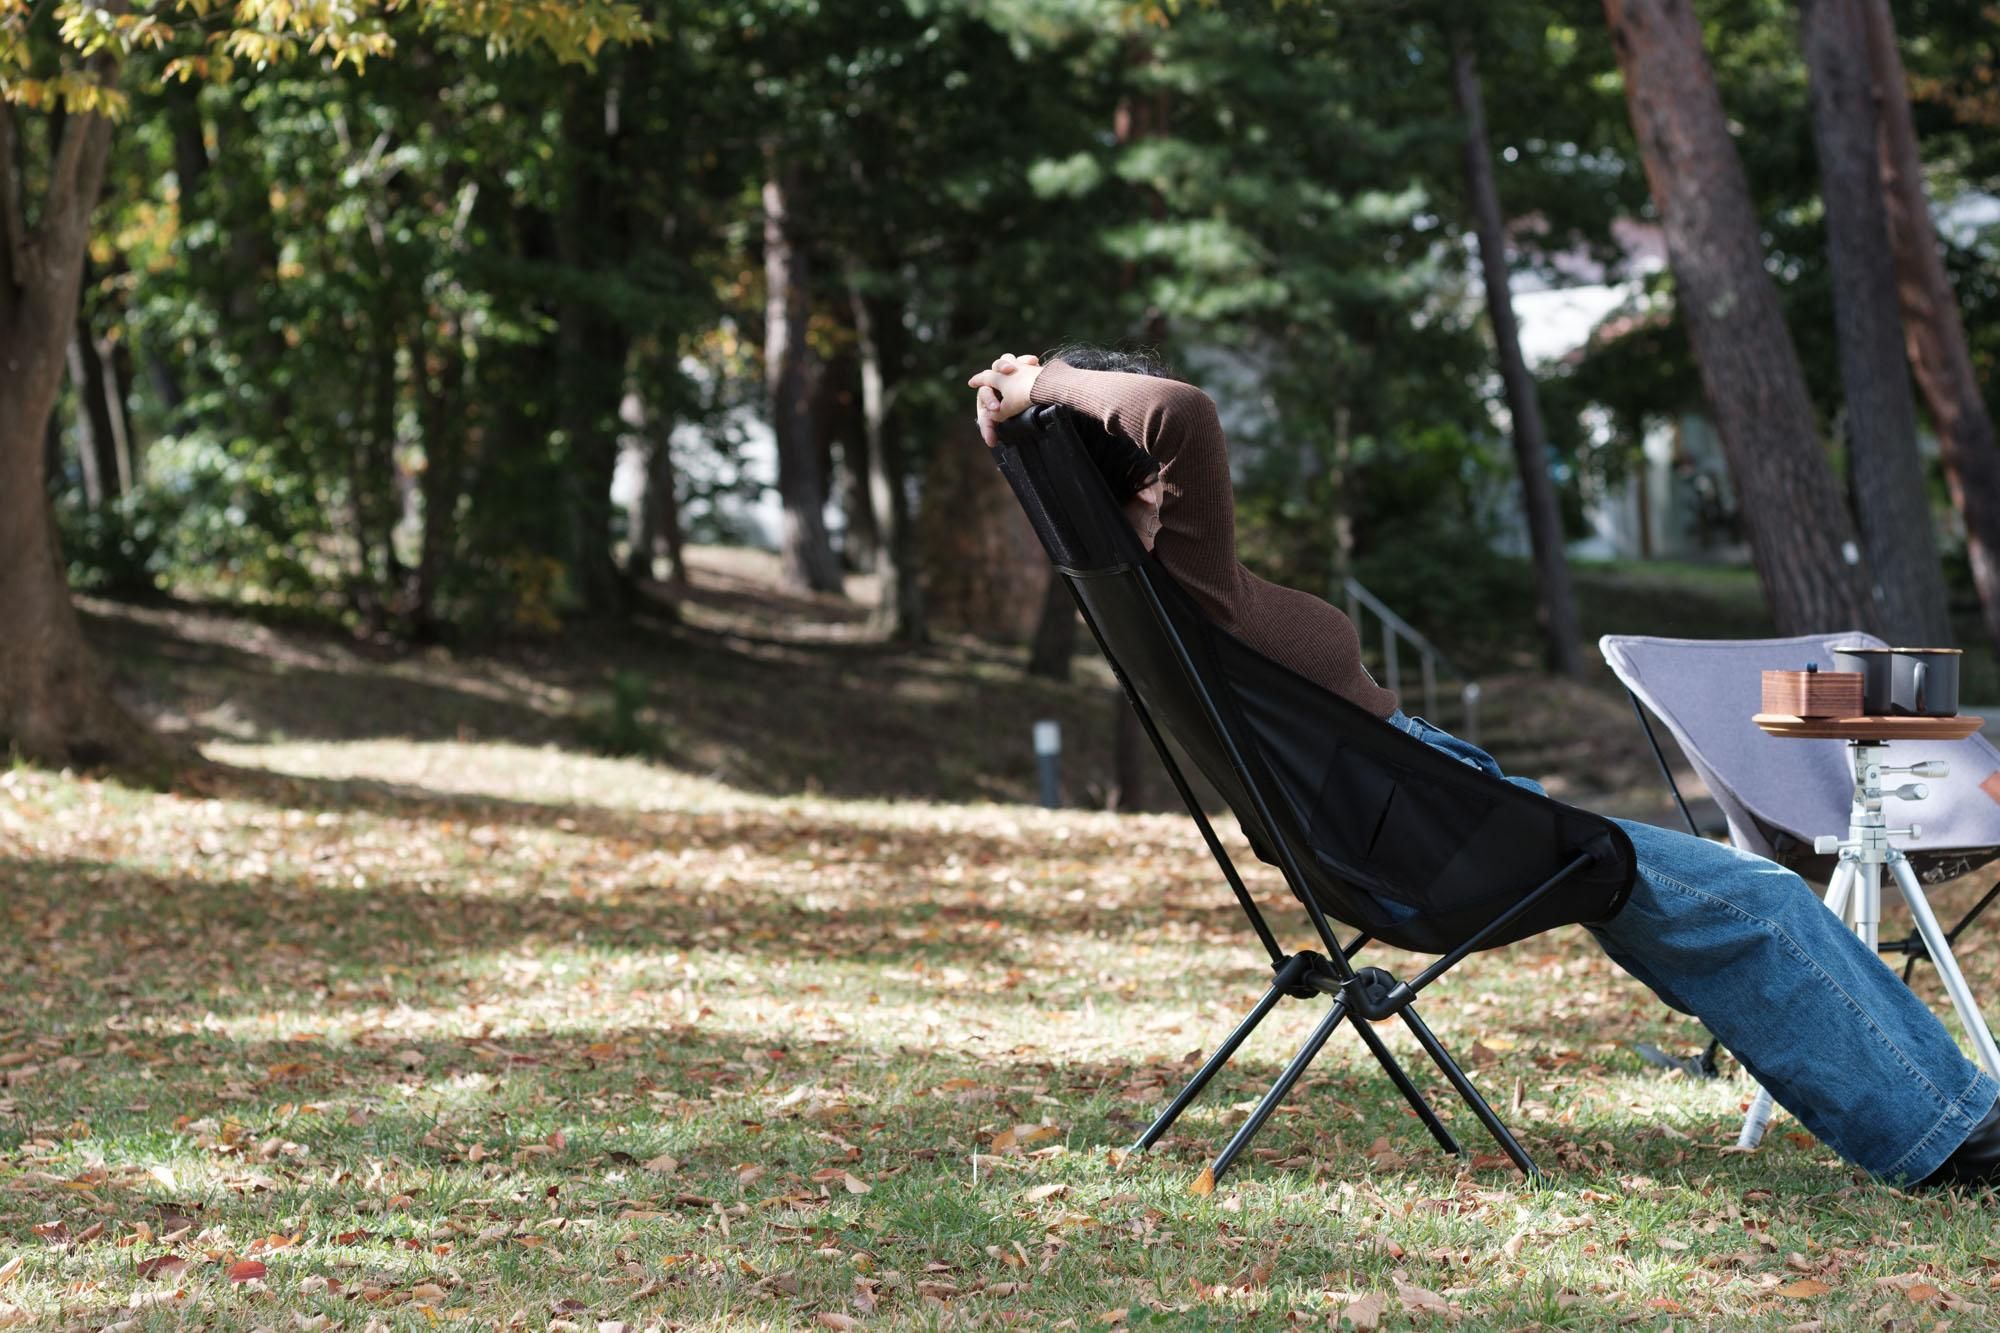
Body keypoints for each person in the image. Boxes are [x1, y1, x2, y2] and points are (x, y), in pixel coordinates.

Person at [967, 347, 2000, 1191]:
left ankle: (1927, 1119)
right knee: (1762, 900)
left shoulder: (1133, 588)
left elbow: (1151, 427)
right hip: (1428, 822)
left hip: (1397, 821)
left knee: (1695, 914)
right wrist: (1045, 382)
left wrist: (1023, 426)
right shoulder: (1184, 573)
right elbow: (1179, 410)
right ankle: (1956, 1132)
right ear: (1130, 459)